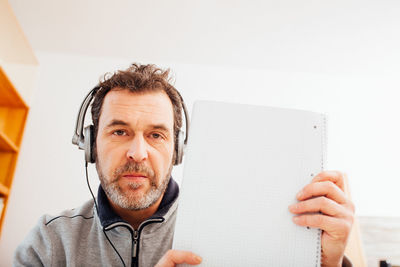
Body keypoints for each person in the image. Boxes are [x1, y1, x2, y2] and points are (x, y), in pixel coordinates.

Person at [14, 64, 355, 267]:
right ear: (90, 145)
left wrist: (327, 262)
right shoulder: (50, 241)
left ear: (178, 150)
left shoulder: (233, 227)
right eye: (120, 131)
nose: (138, 152)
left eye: (157, 135)